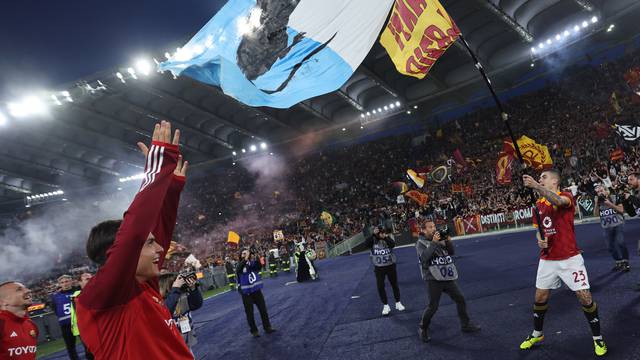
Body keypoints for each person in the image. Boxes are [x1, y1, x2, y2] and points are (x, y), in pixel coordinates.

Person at [76, 121, 194, 359]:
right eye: (149, 244)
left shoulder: (142, 283)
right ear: (117, 252)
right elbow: (134, 231)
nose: (160, 247)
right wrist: (157, 170)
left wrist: (170, 190)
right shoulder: (105, 293)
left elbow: (156, 230)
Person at [520, 170, 607, 356]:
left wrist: (535, 185)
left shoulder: (565, 195)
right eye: (539, 178)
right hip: (547, 259)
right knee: (540, 298)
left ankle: (598, 339)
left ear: (555, 181)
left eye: (544, 177)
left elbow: (558, 202)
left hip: (570, 258)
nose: (540, 179)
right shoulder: (538, 205)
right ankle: (537, 333)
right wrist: (540, 239)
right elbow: (539, 230)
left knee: (584, 297)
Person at [415, 219, 480, 343]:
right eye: (430, 227)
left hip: (446, 276)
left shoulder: (439, 239)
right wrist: (434, 243)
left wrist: (448, 241)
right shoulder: (420, 243)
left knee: (460, 299)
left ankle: (465, 325)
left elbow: (451, 252)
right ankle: (423, 328)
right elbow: (424, 259)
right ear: (423, 230)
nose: (433, 229)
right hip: (433, 278)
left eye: (434, 226)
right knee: (433, 307)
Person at [365, 226, 405, 316]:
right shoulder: (373, 239)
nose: (381, 234)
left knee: (394, 284)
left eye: (382, 232)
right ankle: (386, 305)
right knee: (380, 286)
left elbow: (393, 244)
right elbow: (366, 244)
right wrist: (373, 234)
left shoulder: (387, 238)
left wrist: (385, 237)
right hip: (379, 267)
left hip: (390, 265)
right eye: (379, 232)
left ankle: (398, 302)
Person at [236, 248, 276, 337]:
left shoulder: (252, 263)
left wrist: (258, 256)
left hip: (256, 290)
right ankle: (254, 331)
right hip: (246, 293)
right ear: (240, 255)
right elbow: (239, 269)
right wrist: (245, 258)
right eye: (243, 253)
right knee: (250, 313)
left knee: (263, 310)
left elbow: (259, 266)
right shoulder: (239, 264)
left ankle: (267, 327)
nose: (245, 254)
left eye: (246, 253)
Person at [159, 272, 203, 351]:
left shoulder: (181, 297)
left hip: (186, 341)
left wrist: (193, 289)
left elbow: (197, 304)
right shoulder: (161, 302)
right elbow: (166, 310)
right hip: (170, 346)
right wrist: (175, 289)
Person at [593, 184, 629, 271]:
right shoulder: (599, 202)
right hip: (606, 227)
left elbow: (621, 210)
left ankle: (626, 262)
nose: (600, 193)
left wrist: (610, 204)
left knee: (621, 243)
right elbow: (595, 215)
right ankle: (618, 261)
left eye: (601, 191)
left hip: (618, 225)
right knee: (610, 247)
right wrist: (596, 204)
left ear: (606, 191)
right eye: (598, 192)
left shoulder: (614, 197)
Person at [0, 282, 38, 359]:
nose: (28, 290)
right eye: (19, 290)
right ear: (3, 302)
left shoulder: (31, 325)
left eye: (26, 288)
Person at [50, 274, 79, 360]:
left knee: (88, 344)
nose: (65, 284)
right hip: (66, 325)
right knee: (70, 347)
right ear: (60, 284)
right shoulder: (55, 296)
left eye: (66, 281)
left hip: (80, 322)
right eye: (62, 282)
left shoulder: (78, 291)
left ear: (71, 281)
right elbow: (55, 309)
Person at [70, 273, 94, 360]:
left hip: (98, 328)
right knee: (90, 352)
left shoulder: (100, 291)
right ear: (80, 282)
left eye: (92, 278)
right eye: (87, 279)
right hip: (85, 330)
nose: (91, 280)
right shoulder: (76, 297)